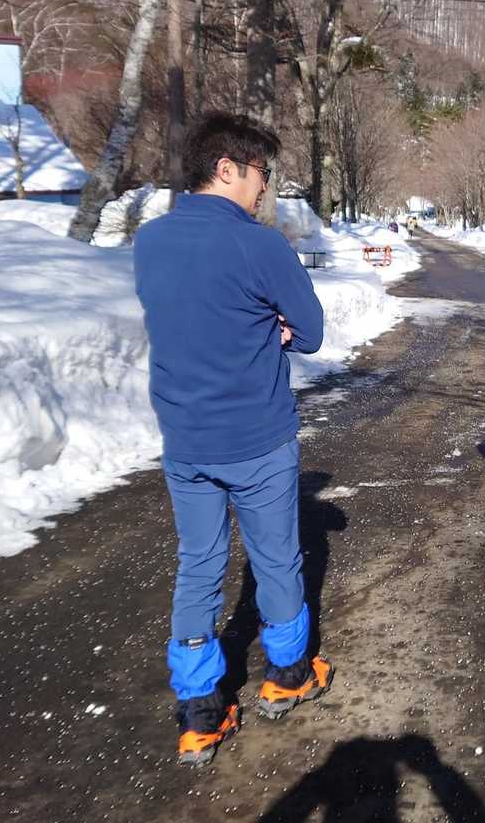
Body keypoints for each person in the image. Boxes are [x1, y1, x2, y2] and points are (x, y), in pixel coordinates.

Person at [133, 111, 334, 766]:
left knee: (198, 565)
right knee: (275, 559)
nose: (264, 186)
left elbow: (186, 316)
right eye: (260, 173)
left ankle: (199, 709)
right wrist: (273, 326)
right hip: (256, 437)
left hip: (185, 439)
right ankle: (288, 675)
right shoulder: (259, 245)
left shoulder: (150, 240)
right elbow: (310, 332)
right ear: (227, 169)